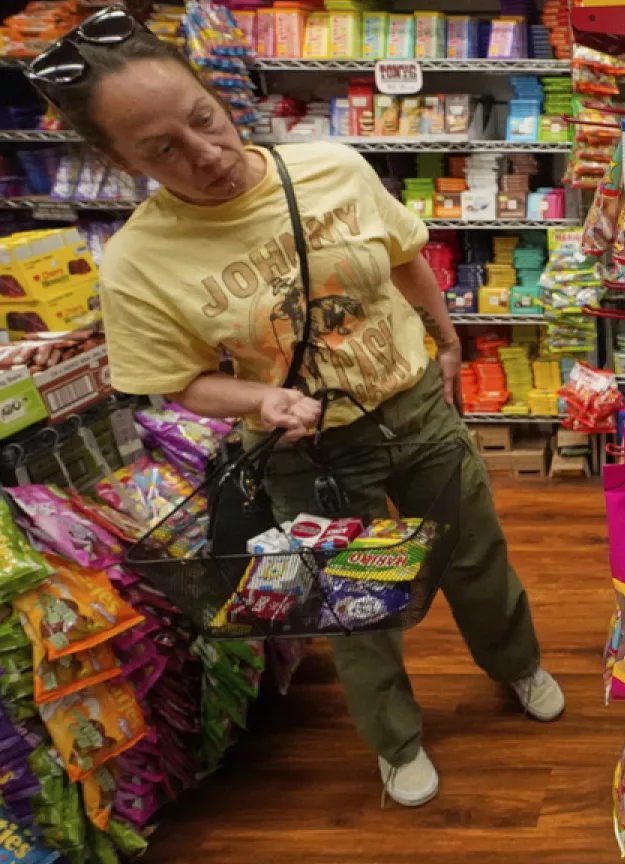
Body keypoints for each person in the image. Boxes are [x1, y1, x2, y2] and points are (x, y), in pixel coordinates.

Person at [26, 7, 564, 808]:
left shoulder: (332, 168)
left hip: (415, 410)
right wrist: (260, 397)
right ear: (115, 159)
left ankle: (516, 663)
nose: (207, 155)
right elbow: (176, 381)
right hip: (309, 454)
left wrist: (445, 339)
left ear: (219, 94)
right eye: (162, 150)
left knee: (475, 553)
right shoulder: (137, 260)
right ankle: (396, 741)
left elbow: (405, 256)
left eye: (204, 119)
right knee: (356, 600)